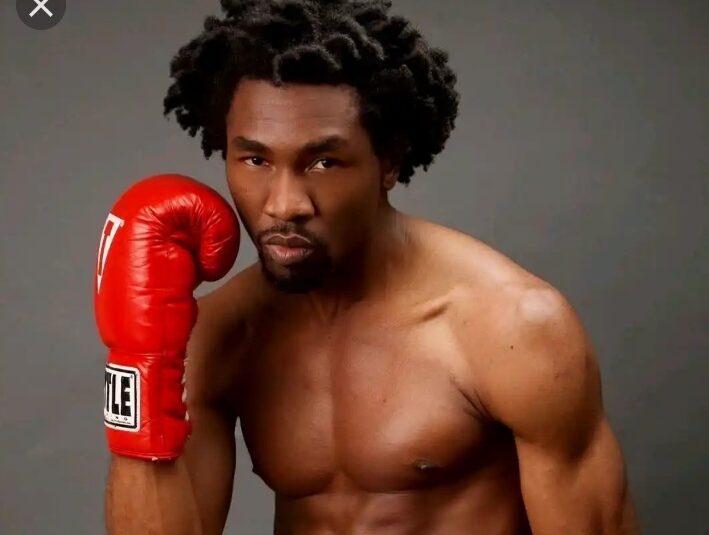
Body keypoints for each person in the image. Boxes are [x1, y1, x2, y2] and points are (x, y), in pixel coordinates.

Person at [95, 1, 639, 533]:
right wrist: (138, 369)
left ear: (390, 161)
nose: (284, 204)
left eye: (323, 161)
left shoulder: (510, 326)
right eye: (256, 159)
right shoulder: (222, 334)